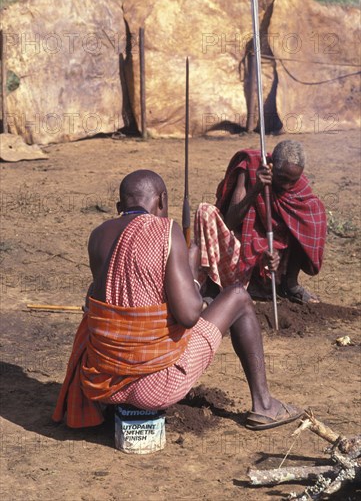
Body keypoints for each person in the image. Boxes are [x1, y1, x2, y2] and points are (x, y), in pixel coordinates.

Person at [53, 169, 302, 431]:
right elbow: (188, 315)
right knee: (238, 296)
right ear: (162, 201)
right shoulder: (166, 230)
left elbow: (119, 298)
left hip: (102, 383)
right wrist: (193, 275)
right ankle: (264, 406)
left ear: (119, 207)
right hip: (156, 387)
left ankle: (117, 401)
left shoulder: (97, 235)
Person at [195, 141, 327, 303]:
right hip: (238, 255)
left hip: (273, 263)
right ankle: (213, 287)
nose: (287, 186)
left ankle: (290, 284)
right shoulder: (250, 168)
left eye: (292, 180)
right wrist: (256, 187)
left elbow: (299, 231)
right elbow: (230, 221)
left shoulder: (300, 190)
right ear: (270, 166)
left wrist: (272, 251)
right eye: (282, 178)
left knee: (311, 212)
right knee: (205, 211)